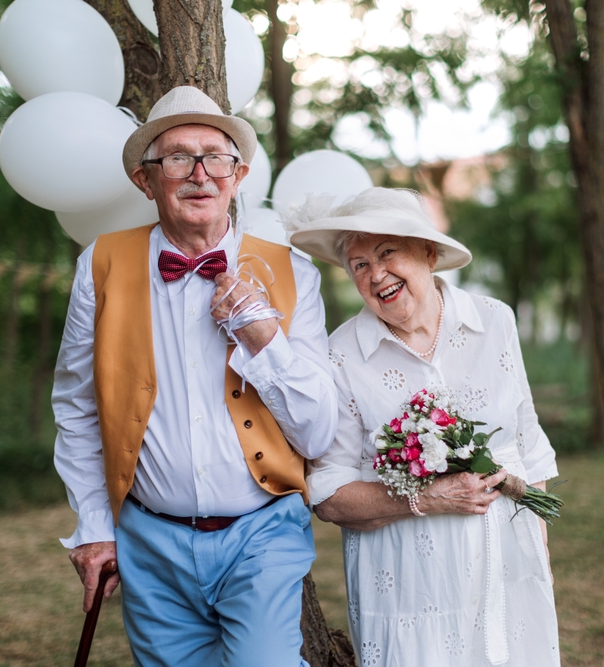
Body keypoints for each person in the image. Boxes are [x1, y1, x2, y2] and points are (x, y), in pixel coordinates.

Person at [52, 85, 337, 666]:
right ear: (146, 179)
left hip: (262, 533)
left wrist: (261, 335)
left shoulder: (293, 273)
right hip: (148, 539)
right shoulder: (99, 264)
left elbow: (317, 432)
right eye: (178, 157)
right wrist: (94, 527)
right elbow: (79, 409)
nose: (199, 174)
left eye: (216, 157)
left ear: (239, 174)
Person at [287, 187, 561, 666]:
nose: (376, 275)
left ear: (429, 253)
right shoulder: (339, 355)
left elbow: (527, 445)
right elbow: (327, 494)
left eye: (387, 253)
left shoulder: (495, 320)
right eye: (359, 265)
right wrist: (425, 499)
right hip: (408, 584)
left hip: (506, 569)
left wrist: (540, 554)